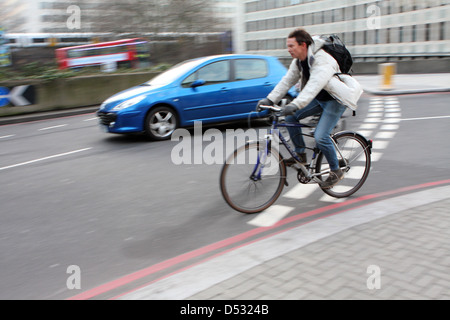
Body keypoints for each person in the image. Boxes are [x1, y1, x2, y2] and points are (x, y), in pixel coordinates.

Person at [257, 28, 354, 189]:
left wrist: (295, 104)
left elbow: (314, 85)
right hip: (319, 99)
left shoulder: (322, 60)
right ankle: (300, 155)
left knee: (321, 136)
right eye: (287, 46)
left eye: (291, 46)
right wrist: (269, 98)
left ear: (303, 44)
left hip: (335, 100)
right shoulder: (299, 61)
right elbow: (286, 81)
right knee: (290, 117)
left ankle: (336, 170)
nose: (288, 49)